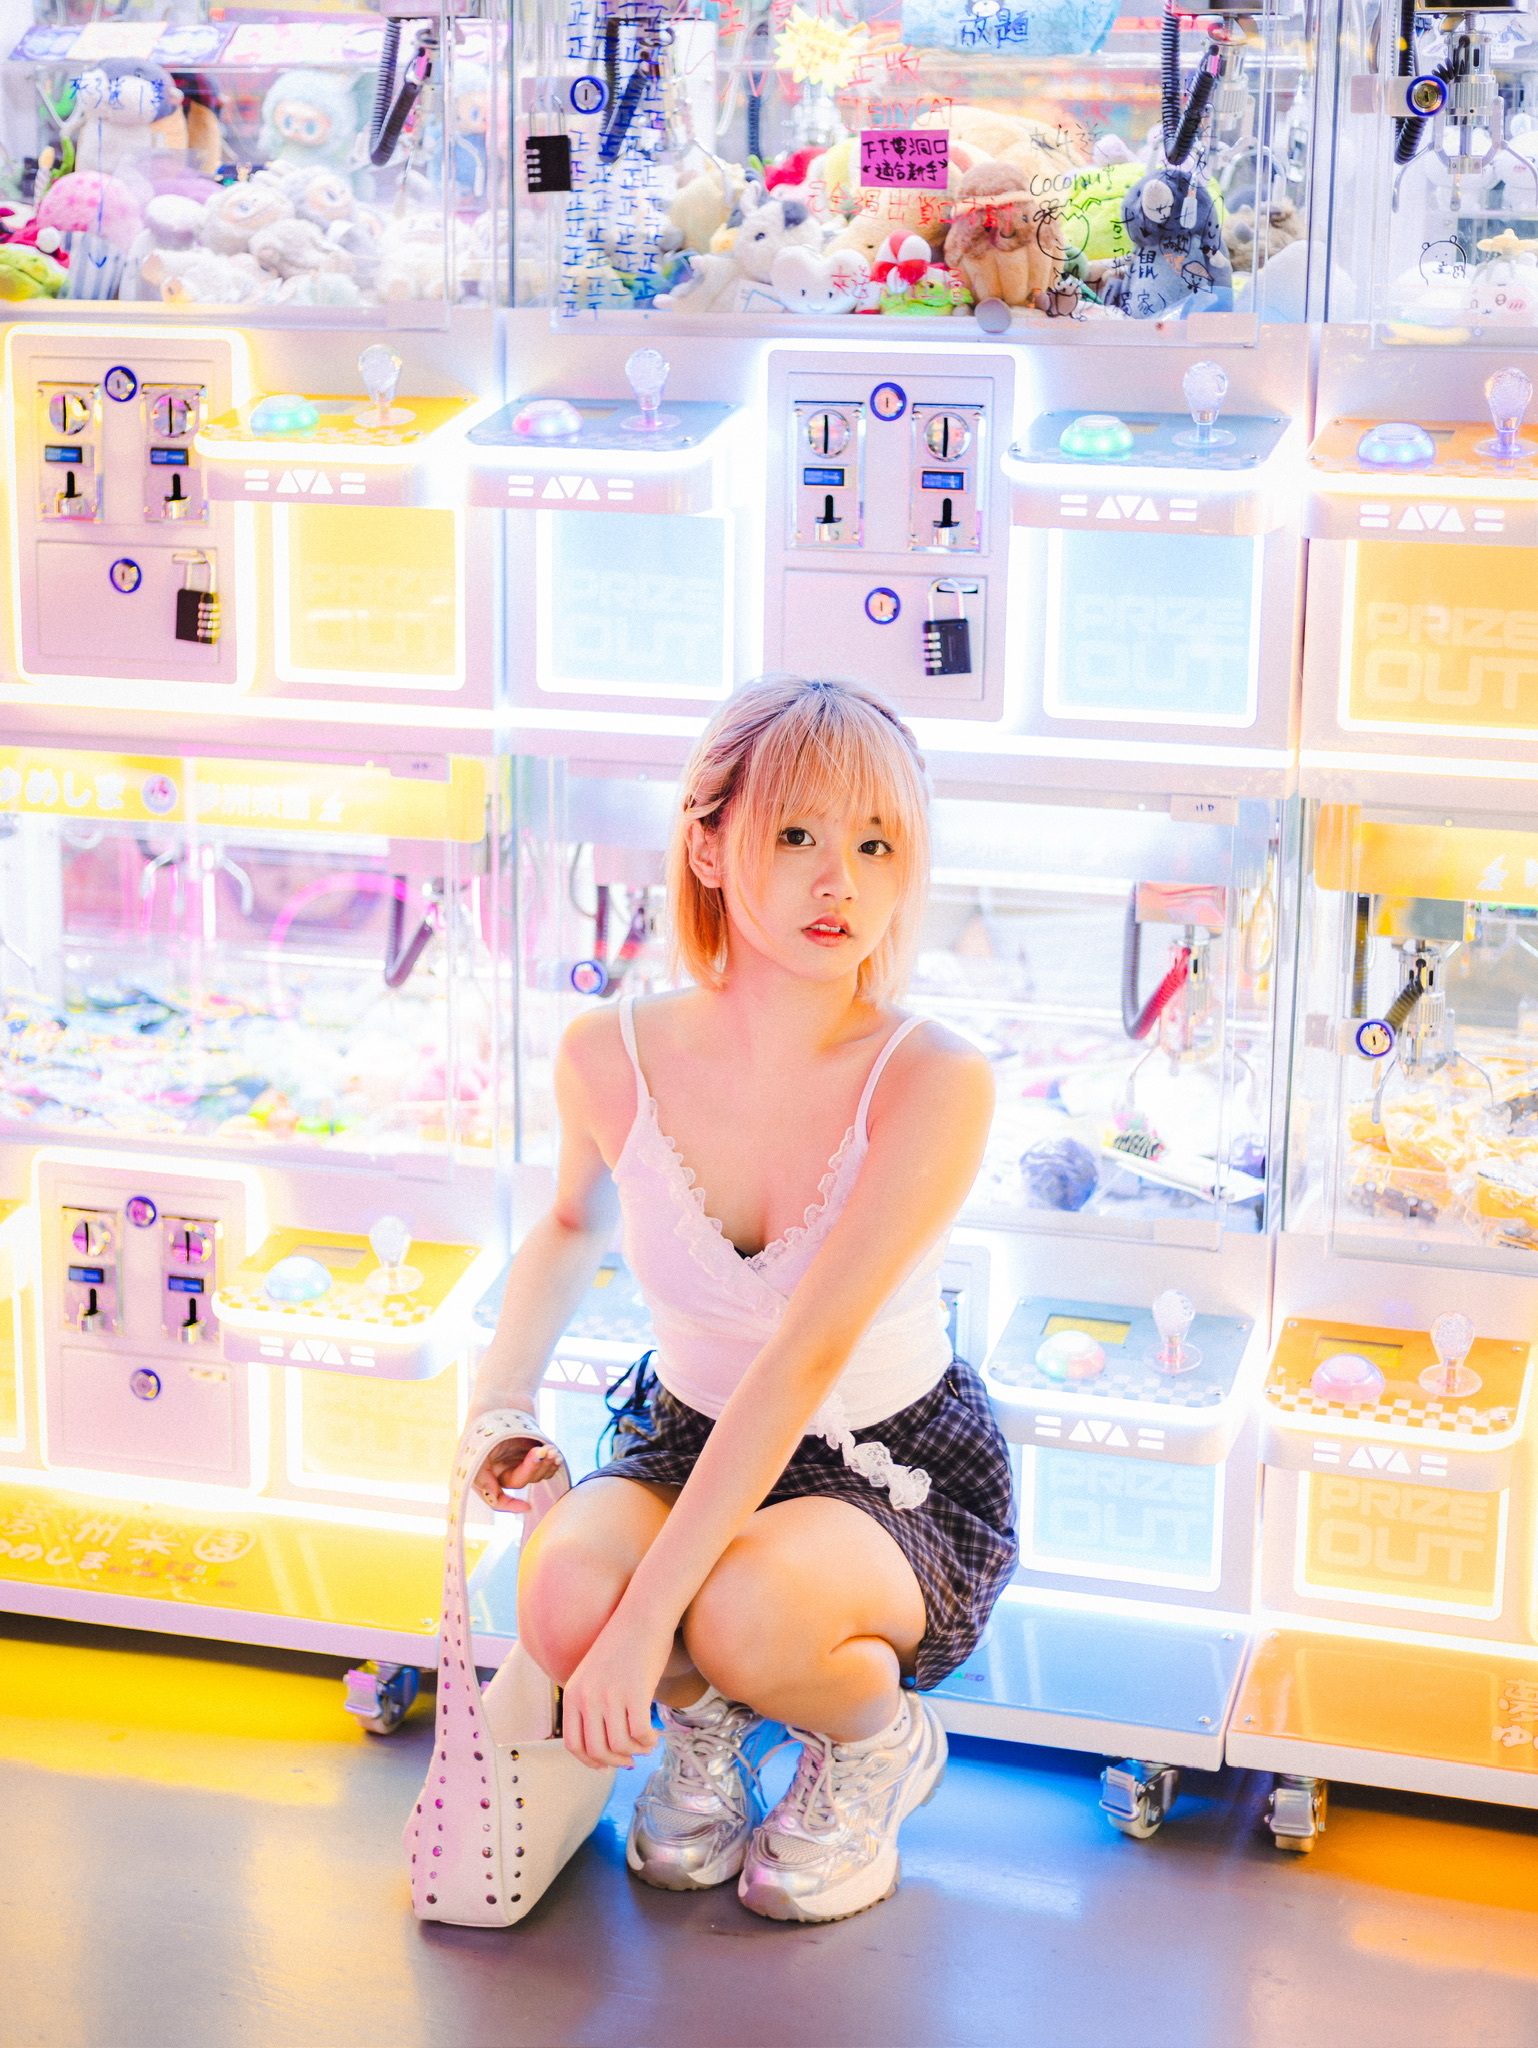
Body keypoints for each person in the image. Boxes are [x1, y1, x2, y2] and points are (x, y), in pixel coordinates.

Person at [466, 675, 1018, 1925]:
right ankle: (707, 1723)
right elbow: (570, 1221)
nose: (840, 882)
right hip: (687, 1432)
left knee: (742, 1608)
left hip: (884, 1464)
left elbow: (805, 1352)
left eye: (876, 844)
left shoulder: (933, 1077)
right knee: (560, 1593)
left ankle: (876, 1741)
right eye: (797, 834)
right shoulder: (607, 1051)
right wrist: (498, 1404)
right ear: (707, 845)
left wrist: (644, 1624)